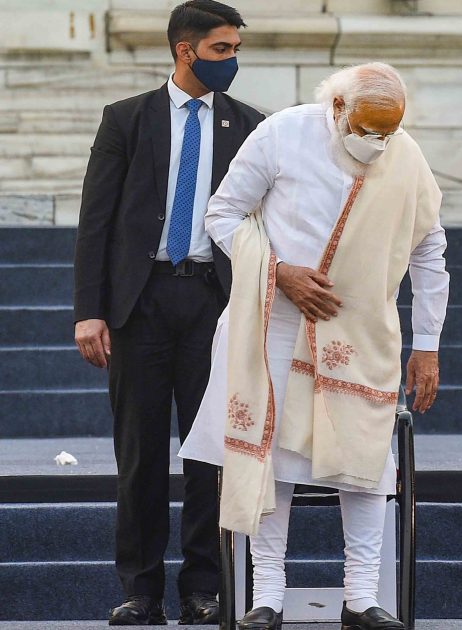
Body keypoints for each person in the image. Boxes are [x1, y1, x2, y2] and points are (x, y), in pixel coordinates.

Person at [178, 62, 449, 630]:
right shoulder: (283, 133)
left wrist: (428, 343)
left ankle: (362, 599)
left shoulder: (406, 157)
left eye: (388, 132)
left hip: (361, 331)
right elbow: (221, 215)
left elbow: (428, 250)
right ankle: (267, 597)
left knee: (366, 462)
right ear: (337, 109)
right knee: (271, 461)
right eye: (367, 129)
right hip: (276, 321)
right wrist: (280, 273)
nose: (376, 144)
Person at [72, 1, 263, 624]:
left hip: (215, 300)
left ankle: (203, 587)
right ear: (186, 50)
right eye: (222, 50)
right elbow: (96, 220)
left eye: (235, 50)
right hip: (140, 302)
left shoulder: (250, 125)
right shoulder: (126, 120)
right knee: (141, 451)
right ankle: (141, 590)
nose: (232, 60)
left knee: (210, 449)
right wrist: (89, 311)